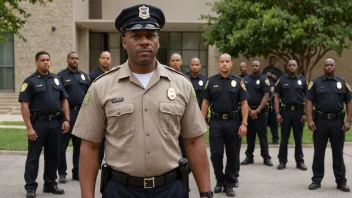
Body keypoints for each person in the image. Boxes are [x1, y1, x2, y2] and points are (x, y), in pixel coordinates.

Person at [72, 4, 213, 198]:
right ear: (124, 42)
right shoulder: (101, 87)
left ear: (158, 40)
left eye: (150, 35)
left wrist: (206, 192)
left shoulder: (182, 85)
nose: (144, 41)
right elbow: (90, 146)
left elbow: (194, 141)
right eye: (136, 36)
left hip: (171, 189)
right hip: (120, 190)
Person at [19, 51, 70, 198]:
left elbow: (64, 100)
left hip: (55, 123)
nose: (46, 62)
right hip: (38, 124)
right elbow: (24, 106)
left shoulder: (56, 79)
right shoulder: (30, 81)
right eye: (42, 60)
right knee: (33, 156)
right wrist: (29, 127)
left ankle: (50, 184)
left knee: (54, 156)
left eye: (48, 60)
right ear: (36, 62)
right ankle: (30, 187)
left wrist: (66, 120)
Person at [201, 53, 248, 197]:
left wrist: (244, 123)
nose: (224, 64)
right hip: (216, 122)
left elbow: (244, 104)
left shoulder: (238, 81)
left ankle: (229, 183)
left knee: (232, 155)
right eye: (222, 61)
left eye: (227, 61)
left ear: (231, 63)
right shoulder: (211, 81)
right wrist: (203, 121)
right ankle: (219, 181)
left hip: (233, 122)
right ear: (219, 63)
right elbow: (205, 102)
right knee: (216, 154)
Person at [306, 58, 351, 192]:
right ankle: (316, 180)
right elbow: (309, 101)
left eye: (331, 65)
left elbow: (349, 101)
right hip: (320, 122)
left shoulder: (342, 83)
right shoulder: (315, 83)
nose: (329, 67)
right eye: (327, 65)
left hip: (338, 123)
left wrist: (349, 120)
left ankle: (341, 181)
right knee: (318, 153)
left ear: (335, 67)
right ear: (323, 67)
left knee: (338, 153)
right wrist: (309, 120)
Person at [57, 52, 90, 183]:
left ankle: (77, 172)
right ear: (67, 60)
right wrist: (64, 117)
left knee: (79, 147)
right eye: (72, 58)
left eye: (77, 58)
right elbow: (59, 97)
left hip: (81, 115)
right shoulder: (61, 76)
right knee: (62, 146)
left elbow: (89, 95)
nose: (75, 60)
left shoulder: (84, 76)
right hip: (66, 114)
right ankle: (62, 173)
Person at [274, 60, 307, 171]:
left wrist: (306, 113)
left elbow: (307, 98)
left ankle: (300, 161)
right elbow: (276, 97)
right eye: (290, 65)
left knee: (298, 138)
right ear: (287, 67)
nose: (292, 67)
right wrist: (277, 112)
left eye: (294, 65)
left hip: (299, 112)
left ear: (297, 67)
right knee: (284, 138)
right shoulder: (282, 80)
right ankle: (282, 161)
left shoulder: (302, 80)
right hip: (285, 112)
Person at [241, 60, 273, 166]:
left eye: (257, 65)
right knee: (250, 136)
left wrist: (257, 111)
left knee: (262, 136)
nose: (255, 67)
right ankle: (249, 157)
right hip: (249, 112)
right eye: (253, 65)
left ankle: (266, 157)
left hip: (261, 113)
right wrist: (250, 110)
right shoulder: (246, 79)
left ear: (260, 67)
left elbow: (266, 96)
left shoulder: (264, 79)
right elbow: (243, 96)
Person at [88, 51, 112, 168]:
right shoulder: (93, 75)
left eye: (108, 58)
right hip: (98, 110)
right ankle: (96, 166)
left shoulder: (113, 74)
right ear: (99, 60)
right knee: (98, 141)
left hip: (111, 110)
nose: (105, 60)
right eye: (103, 58)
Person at [263, 56, 283, 144]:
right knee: (264, 120)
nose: (271, 63)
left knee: (274, 120)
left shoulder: (278, 71)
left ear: (276, 62)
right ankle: (264, 139)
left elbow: (281, 80)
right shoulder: (265, 69)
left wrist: (272, 76)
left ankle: (275, 138)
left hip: (275, 95)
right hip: (266, 95)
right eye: (270, 61)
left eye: (273, 61)